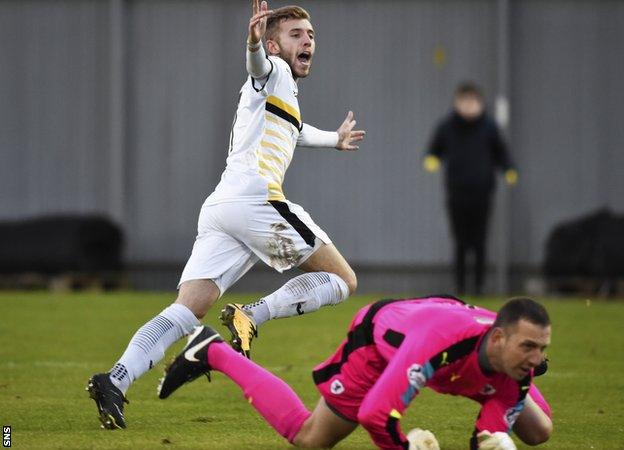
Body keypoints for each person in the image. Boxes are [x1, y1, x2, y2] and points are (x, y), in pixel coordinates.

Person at [86, 1, 366, 430]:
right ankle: (252, 315)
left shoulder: (284, 90)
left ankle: (115, 379)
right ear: (274, 43)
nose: (307, 40)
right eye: (296, 34)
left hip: (222, 207)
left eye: (310, 34)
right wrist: (253, 43)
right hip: (257, 201)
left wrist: (334, 139)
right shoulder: (271, 70)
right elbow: (256, 65)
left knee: (188, 308)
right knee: (344, 280)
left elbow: (297, 128)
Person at [159, 296, 553, 450]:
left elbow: (490, 429)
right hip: (380, 341)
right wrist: (405, 448)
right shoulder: (434, 345)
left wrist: (491, 438)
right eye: (528, 347)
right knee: (311, 438)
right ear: (499, 338)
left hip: (447, 324)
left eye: (541, 349)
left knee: (538, 431)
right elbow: (376, 416)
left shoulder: (516, 363)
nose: (536, 359)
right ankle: (213, 351)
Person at [423, 82, 517, 295]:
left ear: (480, 103)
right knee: (460, 241)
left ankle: (479, 287)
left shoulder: (489, 127)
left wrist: (509, 169)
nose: (468, 106)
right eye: (464, 101)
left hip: (482, 193)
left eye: (472, 102)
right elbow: (434, 149)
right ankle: (461, 285)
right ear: (457, 103)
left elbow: (502, 153)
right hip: (457, 192)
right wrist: (432, 159)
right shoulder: (447, 126)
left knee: (480, 241)